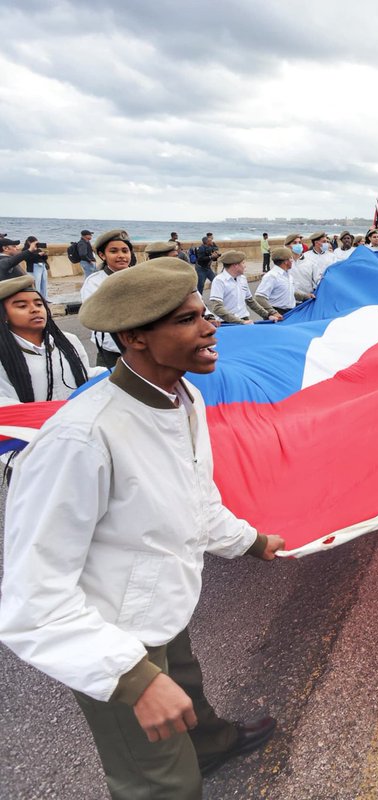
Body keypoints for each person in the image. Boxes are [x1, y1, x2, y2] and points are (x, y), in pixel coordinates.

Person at [0, 257, 286, 798]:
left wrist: (251, 542)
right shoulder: (81, 439)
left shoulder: (184, 397)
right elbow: (32, 602)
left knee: (187, 685)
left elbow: (196, 498)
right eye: (187, 320)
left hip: (157, 603)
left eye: (204, 314)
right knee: (159, 779)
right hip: (106, 633)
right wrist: (135, 680)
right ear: (134, 338)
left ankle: (210, 745)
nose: (210, 327)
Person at [0, 275, 98, 403]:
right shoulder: (4, 353)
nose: (35, 310)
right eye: (22, 306)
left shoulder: (68, 340)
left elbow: (86, 374)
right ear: (4, 315)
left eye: (39, 304)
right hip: (32, 416)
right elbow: (5, 402)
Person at [81, 229, 137, 369]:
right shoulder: (94, 282)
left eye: (125, 251)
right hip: (112, 351)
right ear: (102, 255)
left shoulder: (140, 277)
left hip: (142, 348)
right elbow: (97, 316)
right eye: (113, 251)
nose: (121, 255)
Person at [208, 252, 280, 324]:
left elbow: (251, 302)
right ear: (235, 265)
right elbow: (217, 308)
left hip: (244, 320)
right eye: (243, 263)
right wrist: (240, 322)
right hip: (227, 323)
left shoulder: (242, 279)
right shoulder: (219, 281)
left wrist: (268, 315)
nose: (245, 266)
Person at [255, 246, 312, 315]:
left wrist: (305, 297)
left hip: (290, 312)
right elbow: (259, 297)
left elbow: (289, 292)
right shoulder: (271, 276)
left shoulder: (288, 275)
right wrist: (273, 312)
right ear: (285, 262)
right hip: (278, 313)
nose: (292, 260)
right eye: (290, 258)